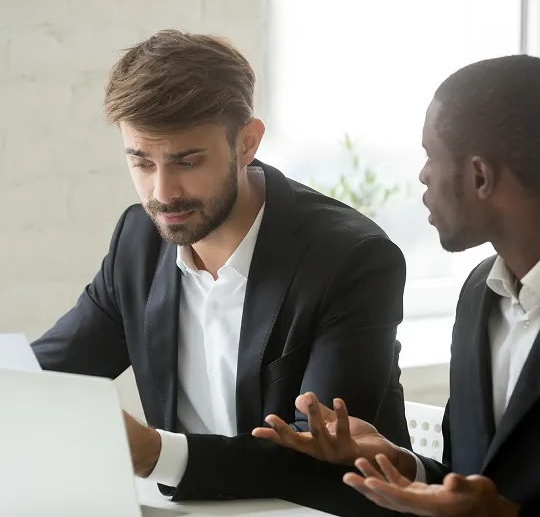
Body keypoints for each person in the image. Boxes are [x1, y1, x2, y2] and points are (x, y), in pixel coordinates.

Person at [31, 30, 410, 516]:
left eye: (187, 161)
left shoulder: (353, 259)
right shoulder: (139, 240)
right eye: (141, 162)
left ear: (247, 142)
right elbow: (46, 376)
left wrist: (154, 453)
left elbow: (319, 458)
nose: (162, 192)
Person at [253, 54, 540, 517]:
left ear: (480, 177)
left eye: (431, 156)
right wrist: (397, 462)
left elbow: (495, 505)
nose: (423, 176)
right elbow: (469, 482)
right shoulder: (479, 294)